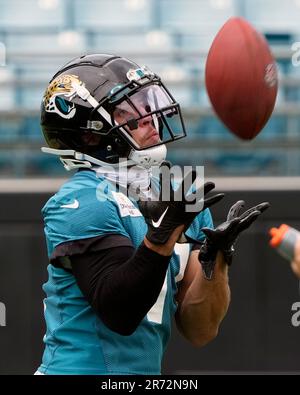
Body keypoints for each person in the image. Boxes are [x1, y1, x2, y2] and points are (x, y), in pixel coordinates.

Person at [36, 54, 269, 375]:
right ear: (91, 133)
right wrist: (160, 239)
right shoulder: (80, 200)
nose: (150, 117)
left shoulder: (178, 194)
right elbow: (120, 314)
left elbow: (200, 330)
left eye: (148, 104)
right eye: (131, 111)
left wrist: (216, 260)